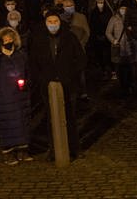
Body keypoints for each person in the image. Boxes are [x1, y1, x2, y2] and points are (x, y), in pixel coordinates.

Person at [27, 10, 87, 161]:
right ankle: (54, 148)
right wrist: (42, 79)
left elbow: (80, 59)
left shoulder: (70, 37)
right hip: (48, 85)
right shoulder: (38, 39)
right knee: (51, 117)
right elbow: (33, 63)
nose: (53, 25)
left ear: (60, 22)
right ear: (45, 23)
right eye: (50, 22)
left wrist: (70, 74)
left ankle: (74, 147)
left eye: (55, 22)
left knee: (70, 116)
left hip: (68, 83)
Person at [0, 27, 33, 165]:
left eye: (10, 39)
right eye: (5, 39)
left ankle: (23, 150)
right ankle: (9, 152)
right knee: (7, 123)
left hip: (20, 95)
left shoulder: (20, 54)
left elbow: (28, 71)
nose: (8, 41)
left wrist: (26, 83)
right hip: (4, 96)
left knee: (22, 122)